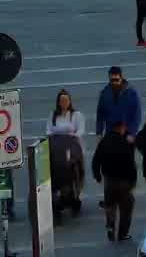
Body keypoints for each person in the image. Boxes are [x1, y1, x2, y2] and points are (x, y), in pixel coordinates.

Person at [92, 118, 139, 243]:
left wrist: (97, 175)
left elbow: (96, 160)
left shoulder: (104, 141)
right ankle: (122, 234)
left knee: (110, 205)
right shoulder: (125, 143)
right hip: (124, 181)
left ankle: (110, 226)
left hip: (109, 180)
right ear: (121, 128)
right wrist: (133, 181)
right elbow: (131, 163)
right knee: (126, 208)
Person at [47, 90, 87, 218]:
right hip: (57, 150)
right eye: (61, 100)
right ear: (58, 102)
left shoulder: (76, 115)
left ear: (69, 101)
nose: (64, 103)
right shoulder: (53, 115)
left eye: (66, 100)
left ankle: (75, 195)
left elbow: (80, 131)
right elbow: (48, 131)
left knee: (74, 172)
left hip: (72, 149)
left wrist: (71, 136)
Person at [95, 65, 143, 138]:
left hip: (126, 133)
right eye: (112, 80)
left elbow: (137, 115)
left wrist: (132, 132)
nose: (114, 83)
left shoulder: (132, 93)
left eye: (116, 80)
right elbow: (100, 114)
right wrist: (99, 133)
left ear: (121, 78)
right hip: (110, 133)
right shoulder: (104, 94)